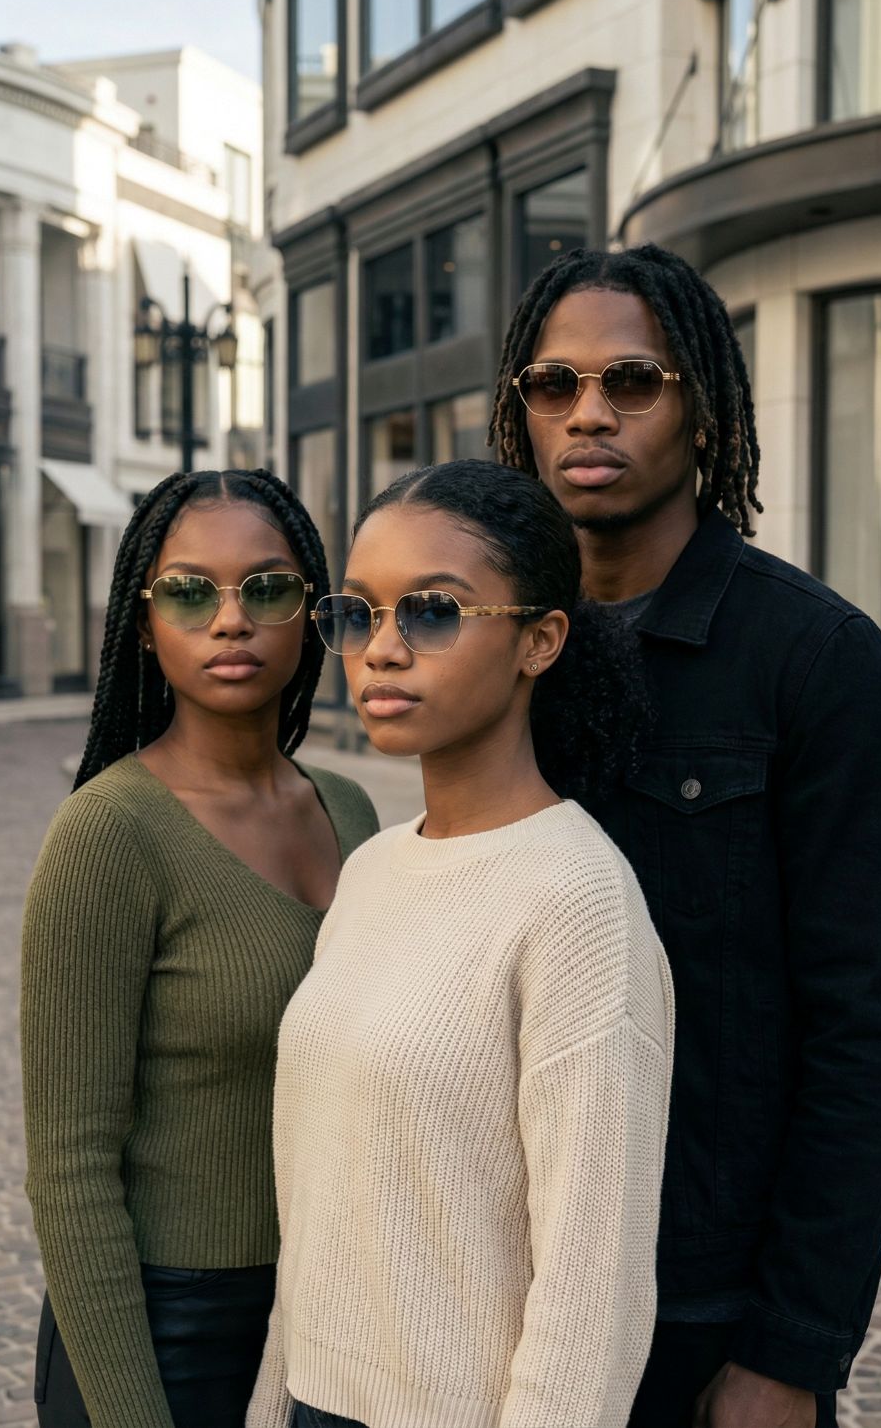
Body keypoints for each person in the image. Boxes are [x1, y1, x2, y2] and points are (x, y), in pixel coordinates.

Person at [490, 244, 881, 1428]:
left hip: (701, 1307)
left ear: (703, 410)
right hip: (505, 1292)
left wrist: (791, 1348)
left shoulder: (818, 662)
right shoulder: (492, 647)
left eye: (633, 379)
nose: (589, 411)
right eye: (553, 383)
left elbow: (867, 1030)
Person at [247, 459, 675, 1428]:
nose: (382, 650)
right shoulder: (374, 868)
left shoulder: (577, 900)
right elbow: (322, 1194)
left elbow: (592, 1285)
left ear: (539, 639)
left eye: (433, 612)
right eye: (358, 614)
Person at [21, 469, 379, 1428]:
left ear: (308, 613)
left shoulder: (350, 811)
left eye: (267, 588)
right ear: (144, 622)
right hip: (161, 1328)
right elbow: (69, 1167)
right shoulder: (109, 834)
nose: (231, 620)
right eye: (188, 591)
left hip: (320, 1309)